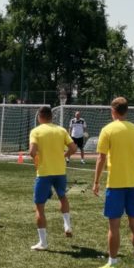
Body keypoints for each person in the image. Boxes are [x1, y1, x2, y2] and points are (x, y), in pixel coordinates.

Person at [92, 97, 134, 268]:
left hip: (115, 185)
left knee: (114, 226)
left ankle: (112, 263)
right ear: (126, 111)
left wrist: (96, 182)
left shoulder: (107, 130)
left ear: (113, 111)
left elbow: (101, 158)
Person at [28, 105, 77, 251]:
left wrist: (36, 158)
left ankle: (43, 243)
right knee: (62, 197)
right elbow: (73, 148)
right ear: (51, 116)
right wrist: (64, 155)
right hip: (60, 171)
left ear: (39, 117)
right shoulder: (61, 130)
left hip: (44, 173)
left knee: (39, 207)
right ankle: (67, 224)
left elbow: (32, 152)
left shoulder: (36, 131)